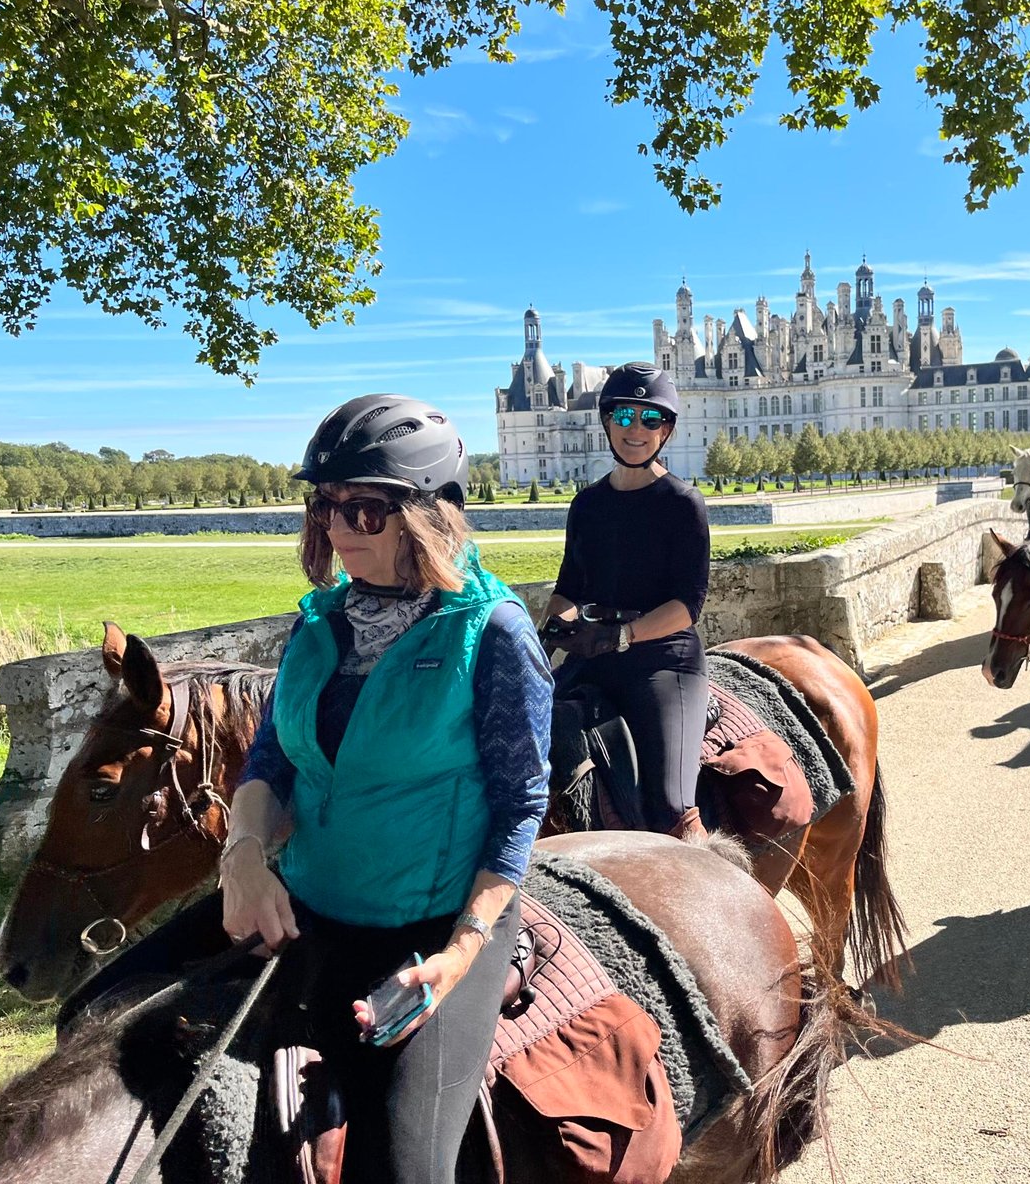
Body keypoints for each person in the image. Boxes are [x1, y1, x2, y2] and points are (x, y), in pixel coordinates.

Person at [211, 394, 553, 1182]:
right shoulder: (318, 624)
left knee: (404, 1169)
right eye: (326, 506)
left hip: (430, 928)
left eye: (365, 510)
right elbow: (272, 761)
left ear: (426, 515)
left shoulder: (493, 634)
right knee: (107, 1011)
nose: (337, 530)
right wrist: (245, 852)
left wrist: (460, 954)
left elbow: (520, 807)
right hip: (308, 907)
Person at [543, 362, 711, 839]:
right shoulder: (588, 505)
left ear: (667, 430)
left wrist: (623, 636)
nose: (635, 429)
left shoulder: (683, 503)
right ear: (607, 422)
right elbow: (568, 587)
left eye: (650, 419)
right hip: (594, 656)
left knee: (670, 805)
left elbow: (687, 604)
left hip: (662, 661)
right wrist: (553, 631)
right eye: (623, 417)